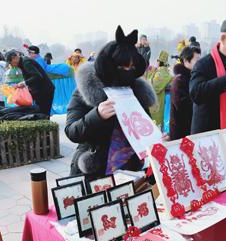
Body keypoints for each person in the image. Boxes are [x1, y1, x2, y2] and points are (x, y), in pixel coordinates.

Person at [65, 26, 157, 177]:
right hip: (94, 171)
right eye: (121, 67)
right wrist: (97, 115)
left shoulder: (136, 93)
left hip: (129, 172)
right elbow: (72, 132)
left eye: (131, 67)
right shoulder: (86, 90)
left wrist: (155, 138)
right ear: (109, 66)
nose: (127, 72)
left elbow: (142, 129)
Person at [5, 50, 55, 116]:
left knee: (44, 113)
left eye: (10, 62)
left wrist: (24, 83)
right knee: (39, 112)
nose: (11, 65)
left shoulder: (26, 62)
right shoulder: (22, 62)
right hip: (40, 90)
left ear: (14, 58)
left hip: (45, 90)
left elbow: (37, 76)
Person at [170, 46, 201, 140]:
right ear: (186, 61)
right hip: (181, 134)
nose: (200, 63)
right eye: (197, 60)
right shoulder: (179, 80)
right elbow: (183, 107)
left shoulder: (193, 78)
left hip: (191, 130)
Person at [148, 50, 173, 129]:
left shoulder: (161, 72)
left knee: (157, 123)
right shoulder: (163, 71)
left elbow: (155, 87)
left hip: (159, 101)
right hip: (161, 101)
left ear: (159, 61)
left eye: (157, 60)